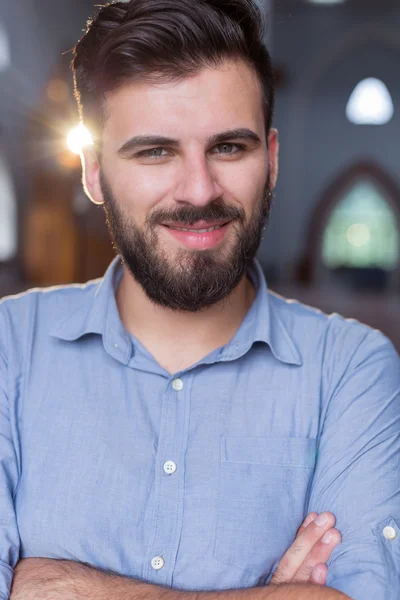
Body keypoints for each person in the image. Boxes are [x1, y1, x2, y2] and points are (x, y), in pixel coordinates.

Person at [1, 1, 399, 598]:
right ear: (92, 173)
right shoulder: (8, 346)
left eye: (229, 149)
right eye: (154, 151)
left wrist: (53, 582)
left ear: (271, 160)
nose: (198, 190)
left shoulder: (353, 369)